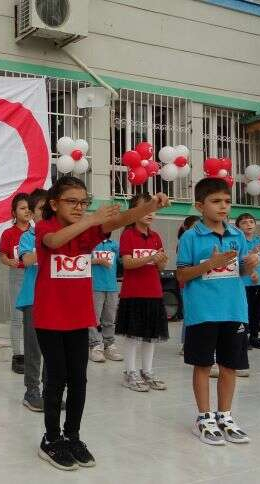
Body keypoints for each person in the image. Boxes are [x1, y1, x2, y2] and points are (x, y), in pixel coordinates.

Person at [33, 176, 169, 470]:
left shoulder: (88, 232)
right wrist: (92, 219)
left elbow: (120, 220)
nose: (79, 207)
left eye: (84, 202)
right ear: (54, 204)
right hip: (49, 318)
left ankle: (72, 436)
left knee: (78, 379)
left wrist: (150, 205)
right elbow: (55, 242)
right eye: (72, 201)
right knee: (56, 378)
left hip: (79, 318)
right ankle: (51, 439)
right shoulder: (46, 227)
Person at [176, 177, 259, 446]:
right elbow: (181, 275)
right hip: (203, 312)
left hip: (234, 310)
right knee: (202, 365)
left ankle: (225, 415)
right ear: (200, 206)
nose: (223, 206)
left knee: (229, 365)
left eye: (227, 201)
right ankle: (204, 417)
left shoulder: (237, 236)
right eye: (216, 201)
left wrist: (250, 265)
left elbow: (241, 272)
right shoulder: (190, 237)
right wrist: (209, 264)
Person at [115, 193, 169, 392]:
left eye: (153, 209)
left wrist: (161, 261)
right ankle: (130, 372)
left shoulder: (156, 237)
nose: (149, 213)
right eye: (145, 208)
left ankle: (147, 371)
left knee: (151, 336)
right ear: (134, 212)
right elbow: (127, 263)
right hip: (133, 293)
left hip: (154, 293)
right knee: (133, 336)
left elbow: (160, 267)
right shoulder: (128, 235)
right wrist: (151, 258)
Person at [15, 188, 48, 412]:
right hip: (33, 299)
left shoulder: (61, 234)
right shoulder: (28, 237)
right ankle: (31, 391)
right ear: (32, 214)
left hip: (54, 298)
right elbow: (26, 260)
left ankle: (49, 390)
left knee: (52, 349)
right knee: (34, 347)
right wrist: (47, 244)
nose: (45, 213)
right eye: (41, 209)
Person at [0, 193, 31, 374]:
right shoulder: (8, 233)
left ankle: (32, 353)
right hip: (17, 275)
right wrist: (9, 261)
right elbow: (3, 256)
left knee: (32, 318)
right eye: (22, 208)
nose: (26, 211)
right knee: (18, 318)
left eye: (28, 208)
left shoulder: (36, 232)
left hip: (34, 275)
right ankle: (18, 356)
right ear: (14, 212)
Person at [235, 213, 260, 350]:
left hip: (259, 280)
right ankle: (243, 337)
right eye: (244, 222)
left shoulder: (259, 240)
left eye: (251, 222)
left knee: (256, 310)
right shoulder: (238, 241)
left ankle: (254, 337)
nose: (249, 224)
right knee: (244, 310)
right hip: (244, 281)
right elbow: (241, 260)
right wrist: (252, 252)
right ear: (238, 227)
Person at [89, 236, 122, 363]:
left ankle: (109, 345)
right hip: (95, 286)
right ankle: (95, 346)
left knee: (110, 319)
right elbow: (81, 260)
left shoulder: (114, 245)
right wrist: (97, 260)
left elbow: (122, 260)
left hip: (112, 287)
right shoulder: (91, 243)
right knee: (93, 319)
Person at [177, 215, 200, 355]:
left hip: (199, 282)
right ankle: (186, 343)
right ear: (186, 228)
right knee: (189, 314)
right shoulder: (184, 241)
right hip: (187, 283)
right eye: (194, 227)